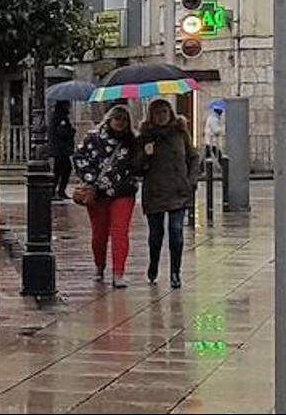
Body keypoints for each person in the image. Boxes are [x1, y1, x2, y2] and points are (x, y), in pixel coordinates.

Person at [71, 104, 139, 288]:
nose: (120, 122)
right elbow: (79, 157)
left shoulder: (133, 142)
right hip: (98, 193)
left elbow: (140, 167)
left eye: (124, 119)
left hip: (123, 192)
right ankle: (99, 266)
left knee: (120, 231)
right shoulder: (93, 138)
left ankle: (118, 273)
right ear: (109, 119)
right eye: (117, 118)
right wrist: (90, 178)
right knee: (99, 234)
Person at [138, 99, 200, 289]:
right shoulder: (145, 136)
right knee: (156, 234)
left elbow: (193, 156)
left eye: (164, 112)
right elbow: (137, 167)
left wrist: (191, 180)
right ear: (151, 116)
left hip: (178, 190)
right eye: (157, 113)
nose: (161, 116)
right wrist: (146, 155)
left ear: (170, 113)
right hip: (155, 192)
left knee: (176, 232)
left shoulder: (180, 132)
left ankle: (175, 272)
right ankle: (154, 264)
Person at [48, 101, 77, 201]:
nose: (69, 107)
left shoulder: (62, 116)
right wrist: (72, 131)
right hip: (60, 149)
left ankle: (60, 191)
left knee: (64, 170)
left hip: (62, 149)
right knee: (60, 170)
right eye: (67, 105)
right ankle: (54, 191)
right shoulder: (59, 117)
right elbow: (62, 132)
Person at [204, 101, 228, 212]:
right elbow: (216, 130)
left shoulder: (214, 118)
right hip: (212, 141)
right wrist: (223, 129)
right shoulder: (213, 119)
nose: (222, 112)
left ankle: (201, 168)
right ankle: (224, 169)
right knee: (217, 155)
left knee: (209, 155)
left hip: (211, 142)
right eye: (221, 110)